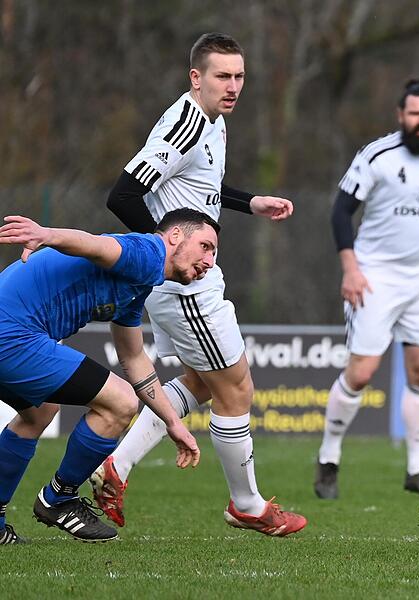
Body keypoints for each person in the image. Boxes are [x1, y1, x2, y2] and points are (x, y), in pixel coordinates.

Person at [90, 32, 306, 537]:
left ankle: (115, 467)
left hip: (191, 275)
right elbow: (122, 195)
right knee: (237, 388)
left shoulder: (214, 120)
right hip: (187, 283)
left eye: (238, 77)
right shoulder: (187, 122)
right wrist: (166, 254)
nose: (232, 86)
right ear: (196, 78)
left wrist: (249, 202)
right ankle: (246, 504)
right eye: (221, 76)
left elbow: (197, 185)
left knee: (204, 384)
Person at [0, 208, 213, 544]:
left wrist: (172, 422)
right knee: (120, 402)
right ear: (175, 237)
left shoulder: (138, 284)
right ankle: (59, 499)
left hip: (11, 334)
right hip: (12, 335)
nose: (210, 261)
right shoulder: (148, 254)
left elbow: (133, 358)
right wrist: (47, 235)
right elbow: (95, 245)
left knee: (39, 412)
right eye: (206, 246)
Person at [313, 79, 419, 500]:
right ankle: (328, 459)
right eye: (415, 115)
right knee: (362, 373)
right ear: (400, 116)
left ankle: (418, 470)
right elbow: (340, 213)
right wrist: (349, 269)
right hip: (375, 274)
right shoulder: (377, 156)